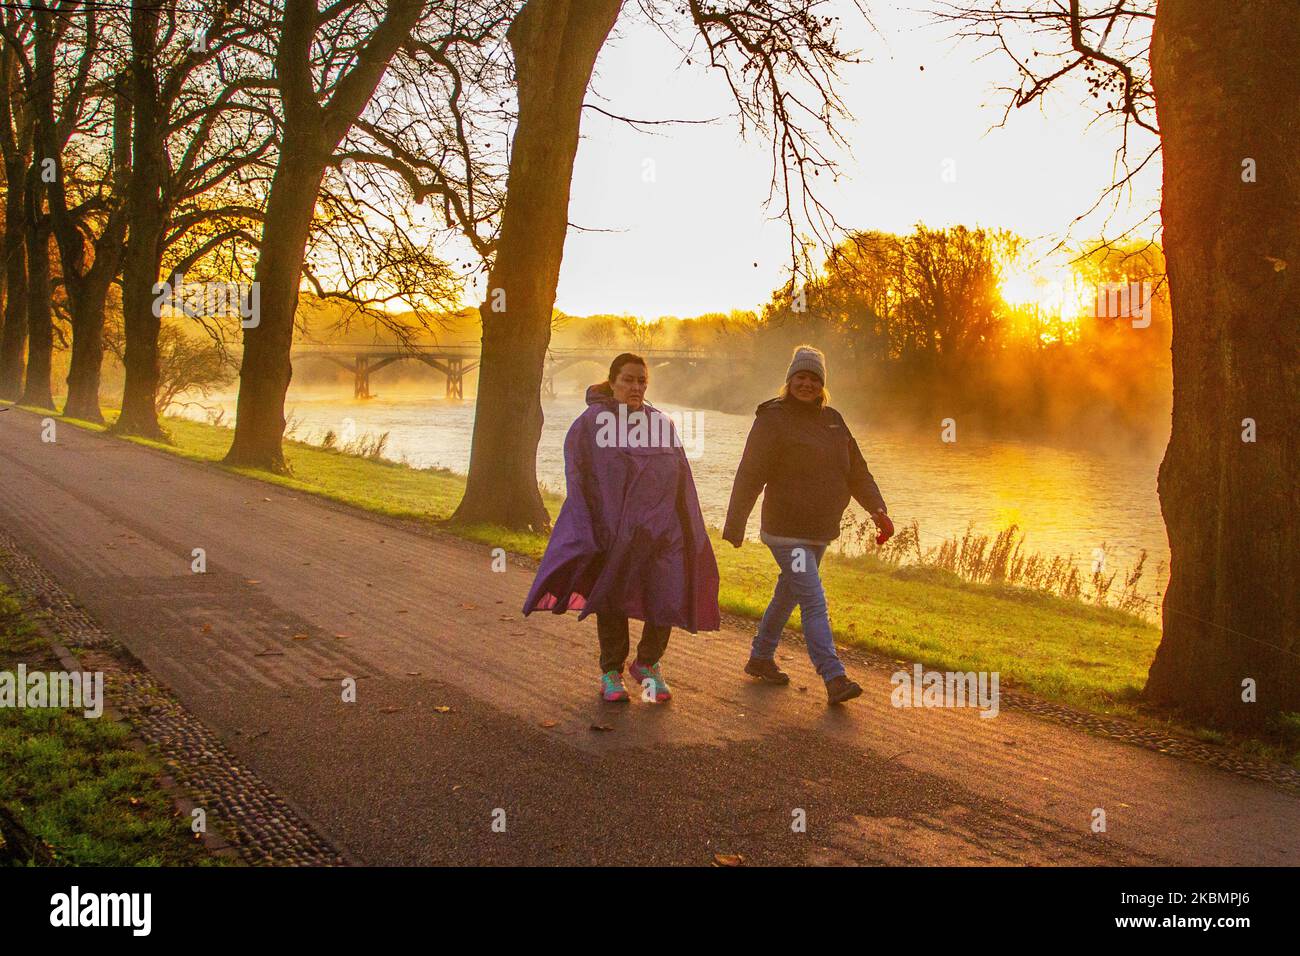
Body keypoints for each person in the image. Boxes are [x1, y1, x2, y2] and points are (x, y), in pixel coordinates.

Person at [523, 353, 721, 702]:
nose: (636, 387)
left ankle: (648, 663)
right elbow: (579, 478)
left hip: (662, 533)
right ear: (612, 381)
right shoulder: (591, 424)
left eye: (642, 381)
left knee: (667, 593)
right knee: (612, 596)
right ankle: (611, 671)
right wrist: (589, 528)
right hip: (615, 532)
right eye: (628, 380)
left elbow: (681, 478)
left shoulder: (661, 424)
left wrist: (689, 526)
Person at [722, 345, 894, 704]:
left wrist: (877, 509)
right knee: (814, 601)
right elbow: (750, 472)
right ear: (789, 380)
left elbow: (857, 472)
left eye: (814, 378)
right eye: (801, 376)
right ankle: (833, 677)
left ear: (822, 385)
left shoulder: (833, 421)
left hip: (820, 530)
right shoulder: (773, 418)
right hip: (785, 531)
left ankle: (760, 657)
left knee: (788, 595)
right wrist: (735, 523)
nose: (807, 383)